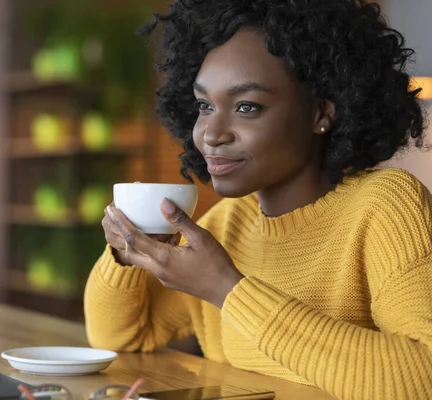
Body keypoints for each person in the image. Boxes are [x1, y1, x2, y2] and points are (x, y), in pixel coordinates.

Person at [84, 0, 432, 398]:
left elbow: (423, 377)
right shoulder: (224, 225)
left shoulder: (386, 207)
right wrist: (127, 252)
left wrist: (228, 289)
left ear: (322, 112)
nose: (212, 134)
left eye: (246, 107)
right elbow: (122, 336)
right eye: (204, 106)